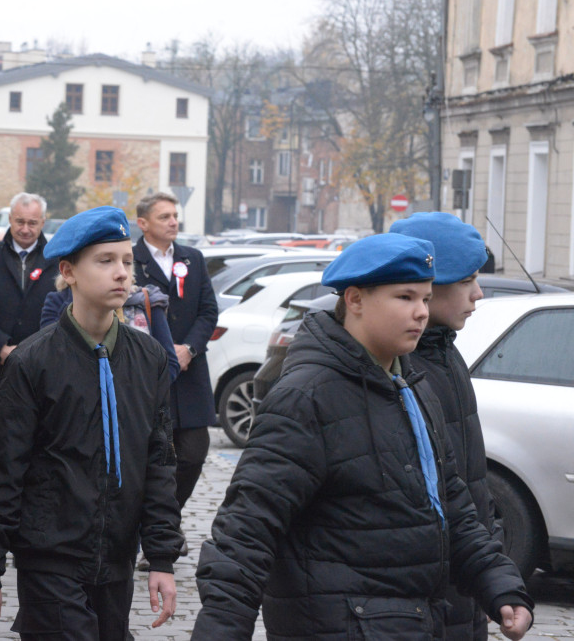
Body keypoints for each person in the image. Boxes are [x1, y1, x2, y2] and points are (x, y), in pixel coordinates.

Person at [193, 233, 534, 640]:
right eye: (405, 298)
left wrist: (499, 584)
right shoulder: (307, 396)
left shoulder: (413, 384)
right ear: (354, 300)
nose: (421, 313)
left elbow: (452, 503)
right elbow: (247, 529)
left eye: (425, 299)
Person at [0, 206, 182, 641]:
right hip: (50, 560)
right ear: (68, 271)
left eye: (127, 260)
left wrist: (161, 558)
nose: (122, 273)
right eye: (105, 261)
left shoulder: (148, 359)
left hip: (117, 561)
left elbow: (158, 463)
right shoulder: (34, 361)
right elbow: (3, 472)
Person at [391, 211, 498, 640]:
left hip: (464, 578)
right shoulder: (398, 369)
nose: (479, 293)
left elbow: (468, 481)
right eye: (467, 280)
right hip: (425, 592)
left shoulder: (445, 354)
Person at [133, 192, 218, 559]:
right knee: (154, 455)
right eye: (164, 216)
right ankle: (153, 527)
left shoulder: (192, 258)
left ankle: (168, 518)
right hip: (149, 373)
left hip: (191, 371)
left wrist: (189, 348)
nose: (173, 221)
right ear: (143, 223)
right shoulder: (131, 260)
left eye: (175, 215)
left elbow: (208, 311)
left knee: (194, 453)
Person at [0, 192, 59, 396]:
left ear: (43, 222)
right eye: (20, 221)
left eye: (32, 223)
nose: (25, 229)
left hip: (45, 367)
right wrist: (1, 346)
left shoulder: (58, 261)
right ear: (10, 219)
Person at [41, 276, 181, 382]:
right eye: (104, 261)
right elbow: (51, 359)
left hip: (136, 411)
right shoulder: (58, 301)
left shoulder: (146, 301)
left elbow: (169, 365)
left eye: (126, 261)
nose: (119, 271)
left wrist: (137, 397)